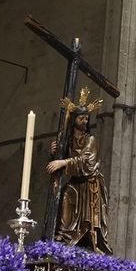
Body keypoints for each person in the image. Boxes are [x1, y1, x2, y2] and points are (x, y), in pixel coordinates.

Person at [46, 91, 111, 253]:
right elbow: (62, 162)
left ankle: (89, 239)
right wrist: (55, 153)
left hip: (90, 184)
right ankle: (63, 235)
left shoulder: (91, 140)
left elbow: (87, 161)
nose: (85, 121)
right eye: (81, 118)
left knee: (85, 218)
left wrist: (62, 162)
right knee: (67, 194)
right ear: (73, 120)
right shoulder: (67, 141)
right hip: (76, 183)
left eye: (87, 118)